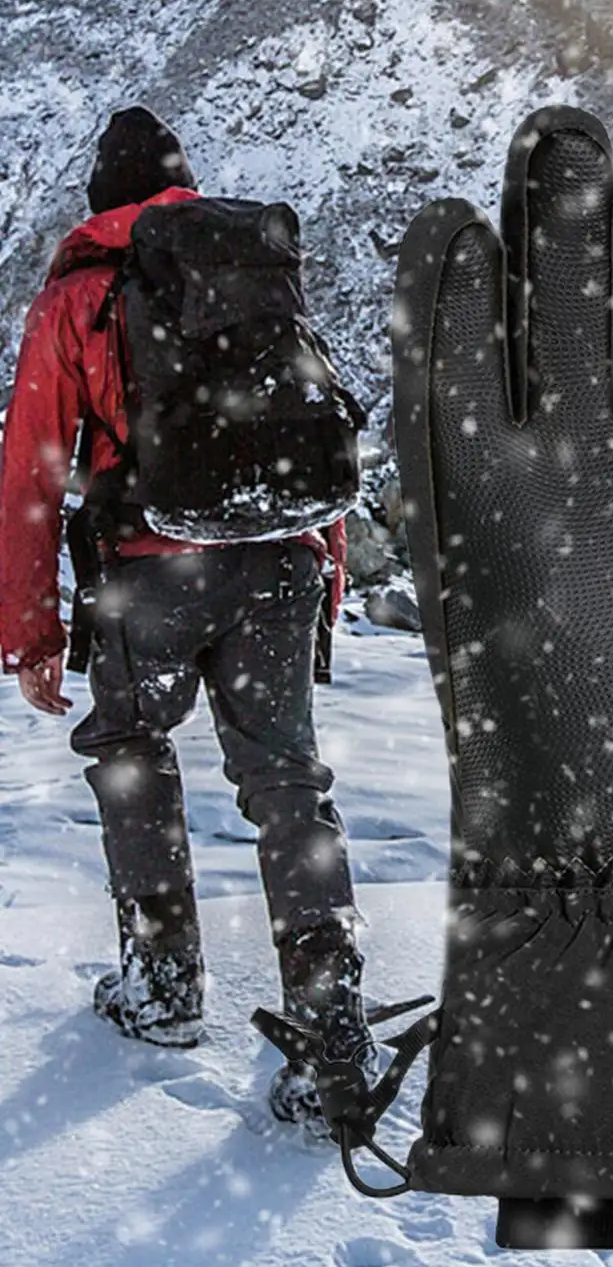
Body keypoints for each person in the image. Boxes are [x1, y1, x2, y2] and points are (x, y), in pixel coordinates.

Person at [0, 106, 373, 1130]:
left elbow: (30, 472)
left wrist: (30, 634)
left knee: (130, 742)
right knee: (287, 781)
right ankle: (331, 1009)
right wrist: (325, 577)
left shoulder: (80, 293)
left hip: (149, 572)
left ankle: (164, 980)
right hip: (280, 561)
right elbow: (304, 431)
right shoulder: (252, 278)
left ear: (98, 200)